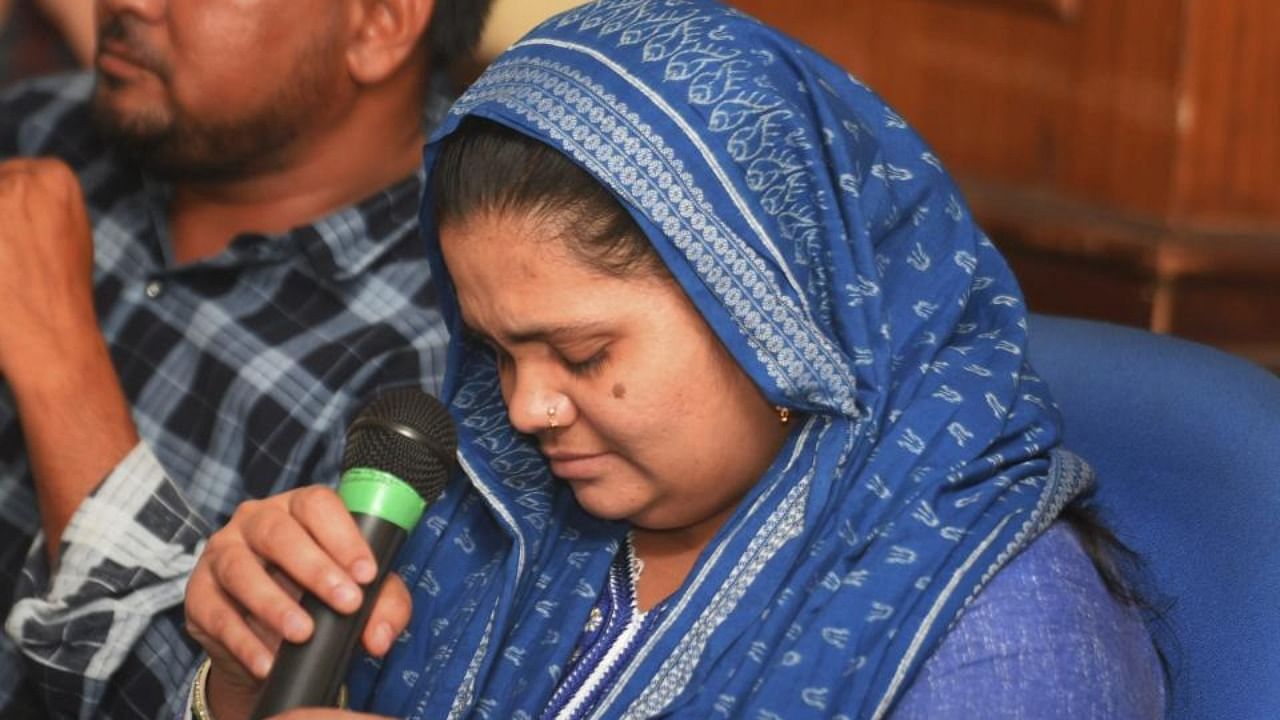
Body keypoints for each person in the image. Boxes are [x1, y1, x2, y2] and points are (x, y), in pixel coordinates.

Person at [184, 0, 1166, 717]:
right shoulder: (500, 507)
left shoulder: (998, 635)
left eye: (579, 351)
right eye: (493, 352)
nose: (524, 408)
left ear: (775, 310)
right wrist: (245, 686)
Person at [0, 0, 493, 717]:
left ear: (380, 24)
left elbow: (256, 695)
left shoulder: (441, 366)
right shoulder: (49, 127)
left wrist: (60, 370)